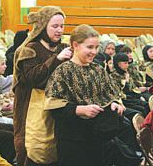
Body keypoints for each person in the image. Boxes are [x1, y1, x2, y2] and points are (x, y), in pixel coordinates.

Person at [45, 25, 140, 166]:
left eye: (96, 48)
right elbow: (54, 108)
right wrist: (80, 110)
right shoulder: (62, 71)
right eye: (89, 47)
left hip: (97, 138)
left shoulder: (97, 69)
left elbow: (110, 94)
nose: (94, 52)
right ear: (75, 45)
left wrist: (113, 103)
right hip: (72, 141)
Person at [12, 6, 73, 166]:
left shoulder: (62, 47)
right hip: (33, 109)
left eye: (62, 26)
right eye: (55, 26)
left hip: (57, 108)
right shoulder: (29, 49)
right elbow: (33, 77)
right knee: (33, 150)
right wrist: (57, 60)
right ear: (42, 27)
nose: (59, 30)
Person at [110, 53, 149, 120]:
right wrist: (125, 82)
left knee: (146, 104)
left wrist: (139, 96)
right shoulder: (113, 76)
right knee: (141, 110)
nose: (127, 65)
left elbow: (132, 88)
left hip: (131, 97)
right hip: (124, 100)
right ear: (118, 64)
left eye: (128, 63)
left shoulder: (125, 73)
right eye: (125, 63)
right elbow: (119, 92)